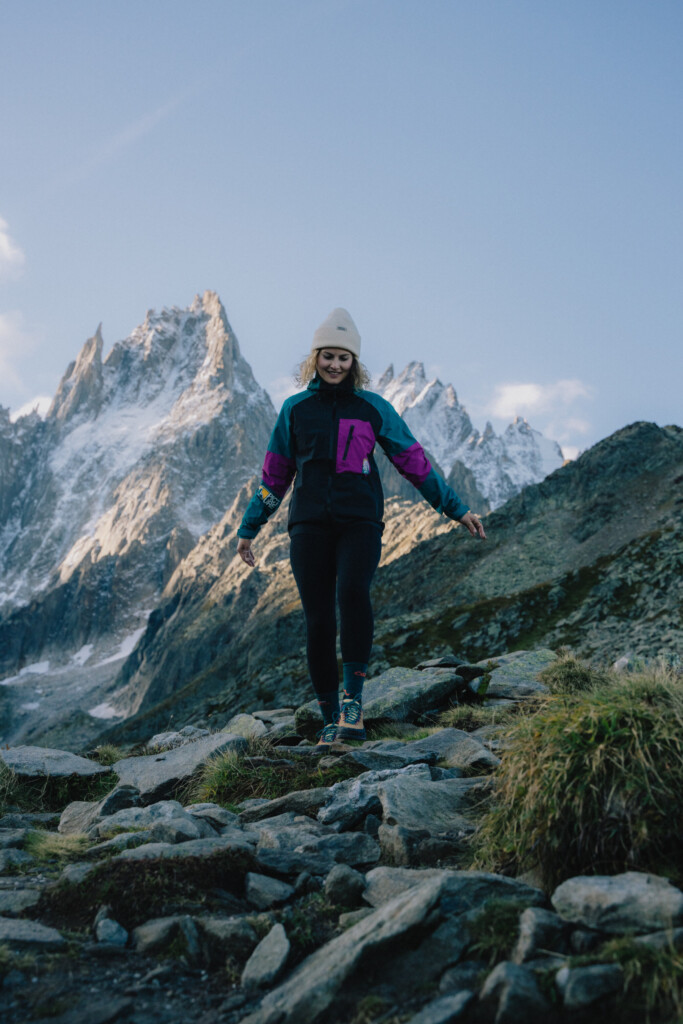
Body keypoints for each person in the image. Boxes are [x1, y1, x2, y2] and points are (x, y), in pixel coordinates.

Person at [237, 308, 486, 748]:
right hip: (308, 525)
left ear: (355, 363)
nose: (335, 365)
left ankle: (354, 702)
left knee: (352, 592)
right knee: (316, 618)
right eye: (328, 356)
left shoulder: (374, 409)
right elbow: (275, 476)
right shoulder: (295, 410)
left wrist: (455, 509)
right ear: (315, 358)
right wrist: (249, 527)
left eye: (344, 358)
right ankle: (330, 715)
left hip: (361, 522)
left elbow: (415, 463)